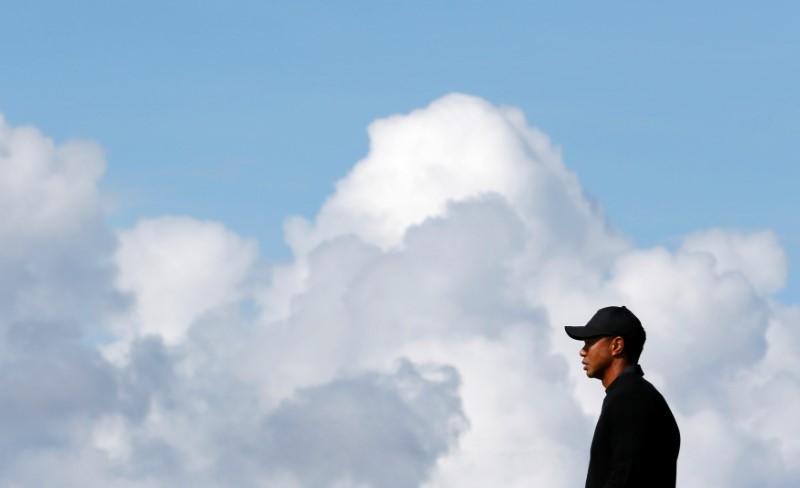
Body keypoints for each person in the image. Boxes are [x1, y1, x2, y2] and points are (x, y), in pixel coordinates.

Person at [565, 305, 680, 488]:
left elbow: (626, 477)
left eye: (589, 342)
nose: (582, 351)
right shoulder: (629, 394)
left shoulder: (631, 397)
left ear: (616, 346)